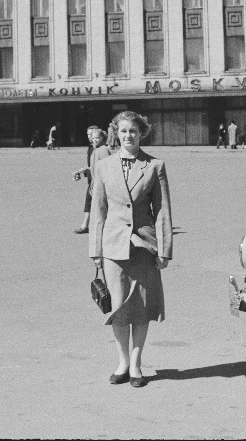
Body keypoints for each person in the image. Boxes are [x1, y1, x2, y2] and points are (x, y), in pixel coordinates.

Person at [89, 110, 173, 388]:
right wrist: (95, 251)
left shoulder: (154, 166)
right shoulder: (104, 166)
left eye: (133, 131)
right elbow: (98, 211)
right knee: (119, 308)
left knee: (142, 308)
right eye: (123, 131)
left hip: (144, 247)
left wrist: (164, 250)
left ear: (141, 133)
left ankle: (136, 364)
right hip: (113, 247)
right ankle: (122, 361)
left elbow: (162, 212)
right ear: (116, 133)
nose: (128, 136)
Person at [74, 127, 110, 234]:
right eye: (92, 137)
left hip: (101, 185)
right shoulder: (95, 149)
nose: (93, 140)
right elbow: (94, 167)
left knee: (100, 208)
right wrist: (83, 171)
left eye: (96, 138)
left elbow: (106, 168)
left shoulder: (103, 150)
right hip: (95, 183)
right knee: (96, 207)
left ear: (102, 138)